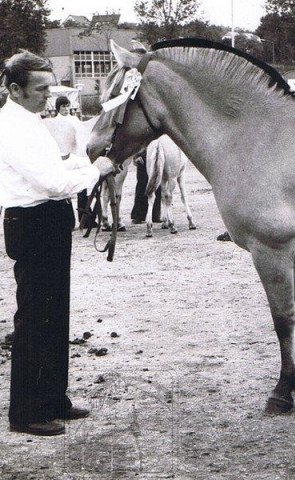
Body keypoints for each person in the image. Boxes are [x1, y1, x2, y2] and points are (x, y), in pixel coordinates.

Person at [0, 50, 114, 436]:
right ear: (15, 89)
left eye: (50, 87)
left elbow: (60, 167)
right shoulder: (11, 127)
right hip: (32, 222)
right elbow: (52, 183)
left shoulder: (30, 121)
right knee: (34, 317)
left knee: (54, 312)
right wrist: (95, 172)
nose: (49, 95)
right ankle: (26, 413)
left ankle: (51, 399)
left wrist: (84, 167)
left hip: (47, 219)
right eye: (40, 88)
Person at [53, 95, 96, 229]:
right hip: (64, 157)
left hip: (77, 155)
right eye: (63, 107)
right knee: (65, 190)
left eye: (67, 106)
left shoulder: (74, 119)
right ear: (58, 108)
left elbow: (82, 135)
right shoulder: (55, 121)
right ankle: (68, 221)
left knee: (82, 188)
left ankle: (85, 218)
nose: (66, 109)